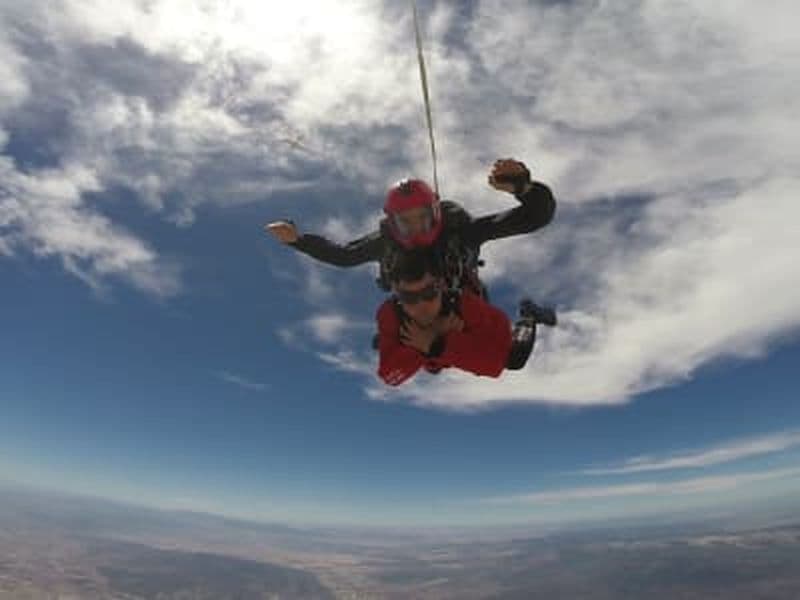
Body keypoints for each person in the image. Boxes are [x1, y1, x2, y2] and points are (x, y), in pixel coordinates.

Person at [265, 158, 555, 295]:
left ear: (436, 212)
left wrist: (524, 187)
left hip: (465, 304)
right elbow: (344, 255)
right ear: (393, 222)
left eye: (422, 217)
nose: (416, 227)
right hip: (415, 312)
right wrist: (297, 240)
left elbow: (534, 218)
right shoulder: (386, 242)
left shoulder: (460, 231)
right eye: (406, 220)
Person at [376, 247, 513, 386]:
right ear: (398, 296)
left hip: (472, 320)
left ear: (441, 286)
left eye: (429, 293)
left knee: (514, 358)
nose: (421, 306)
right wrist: (432, 343)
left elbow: (495, 366)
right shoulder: (390, 314)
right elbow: (389, 377)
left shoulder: (465, 305)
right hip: (443, 355)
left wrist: (431, 344)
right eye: (409, 297)